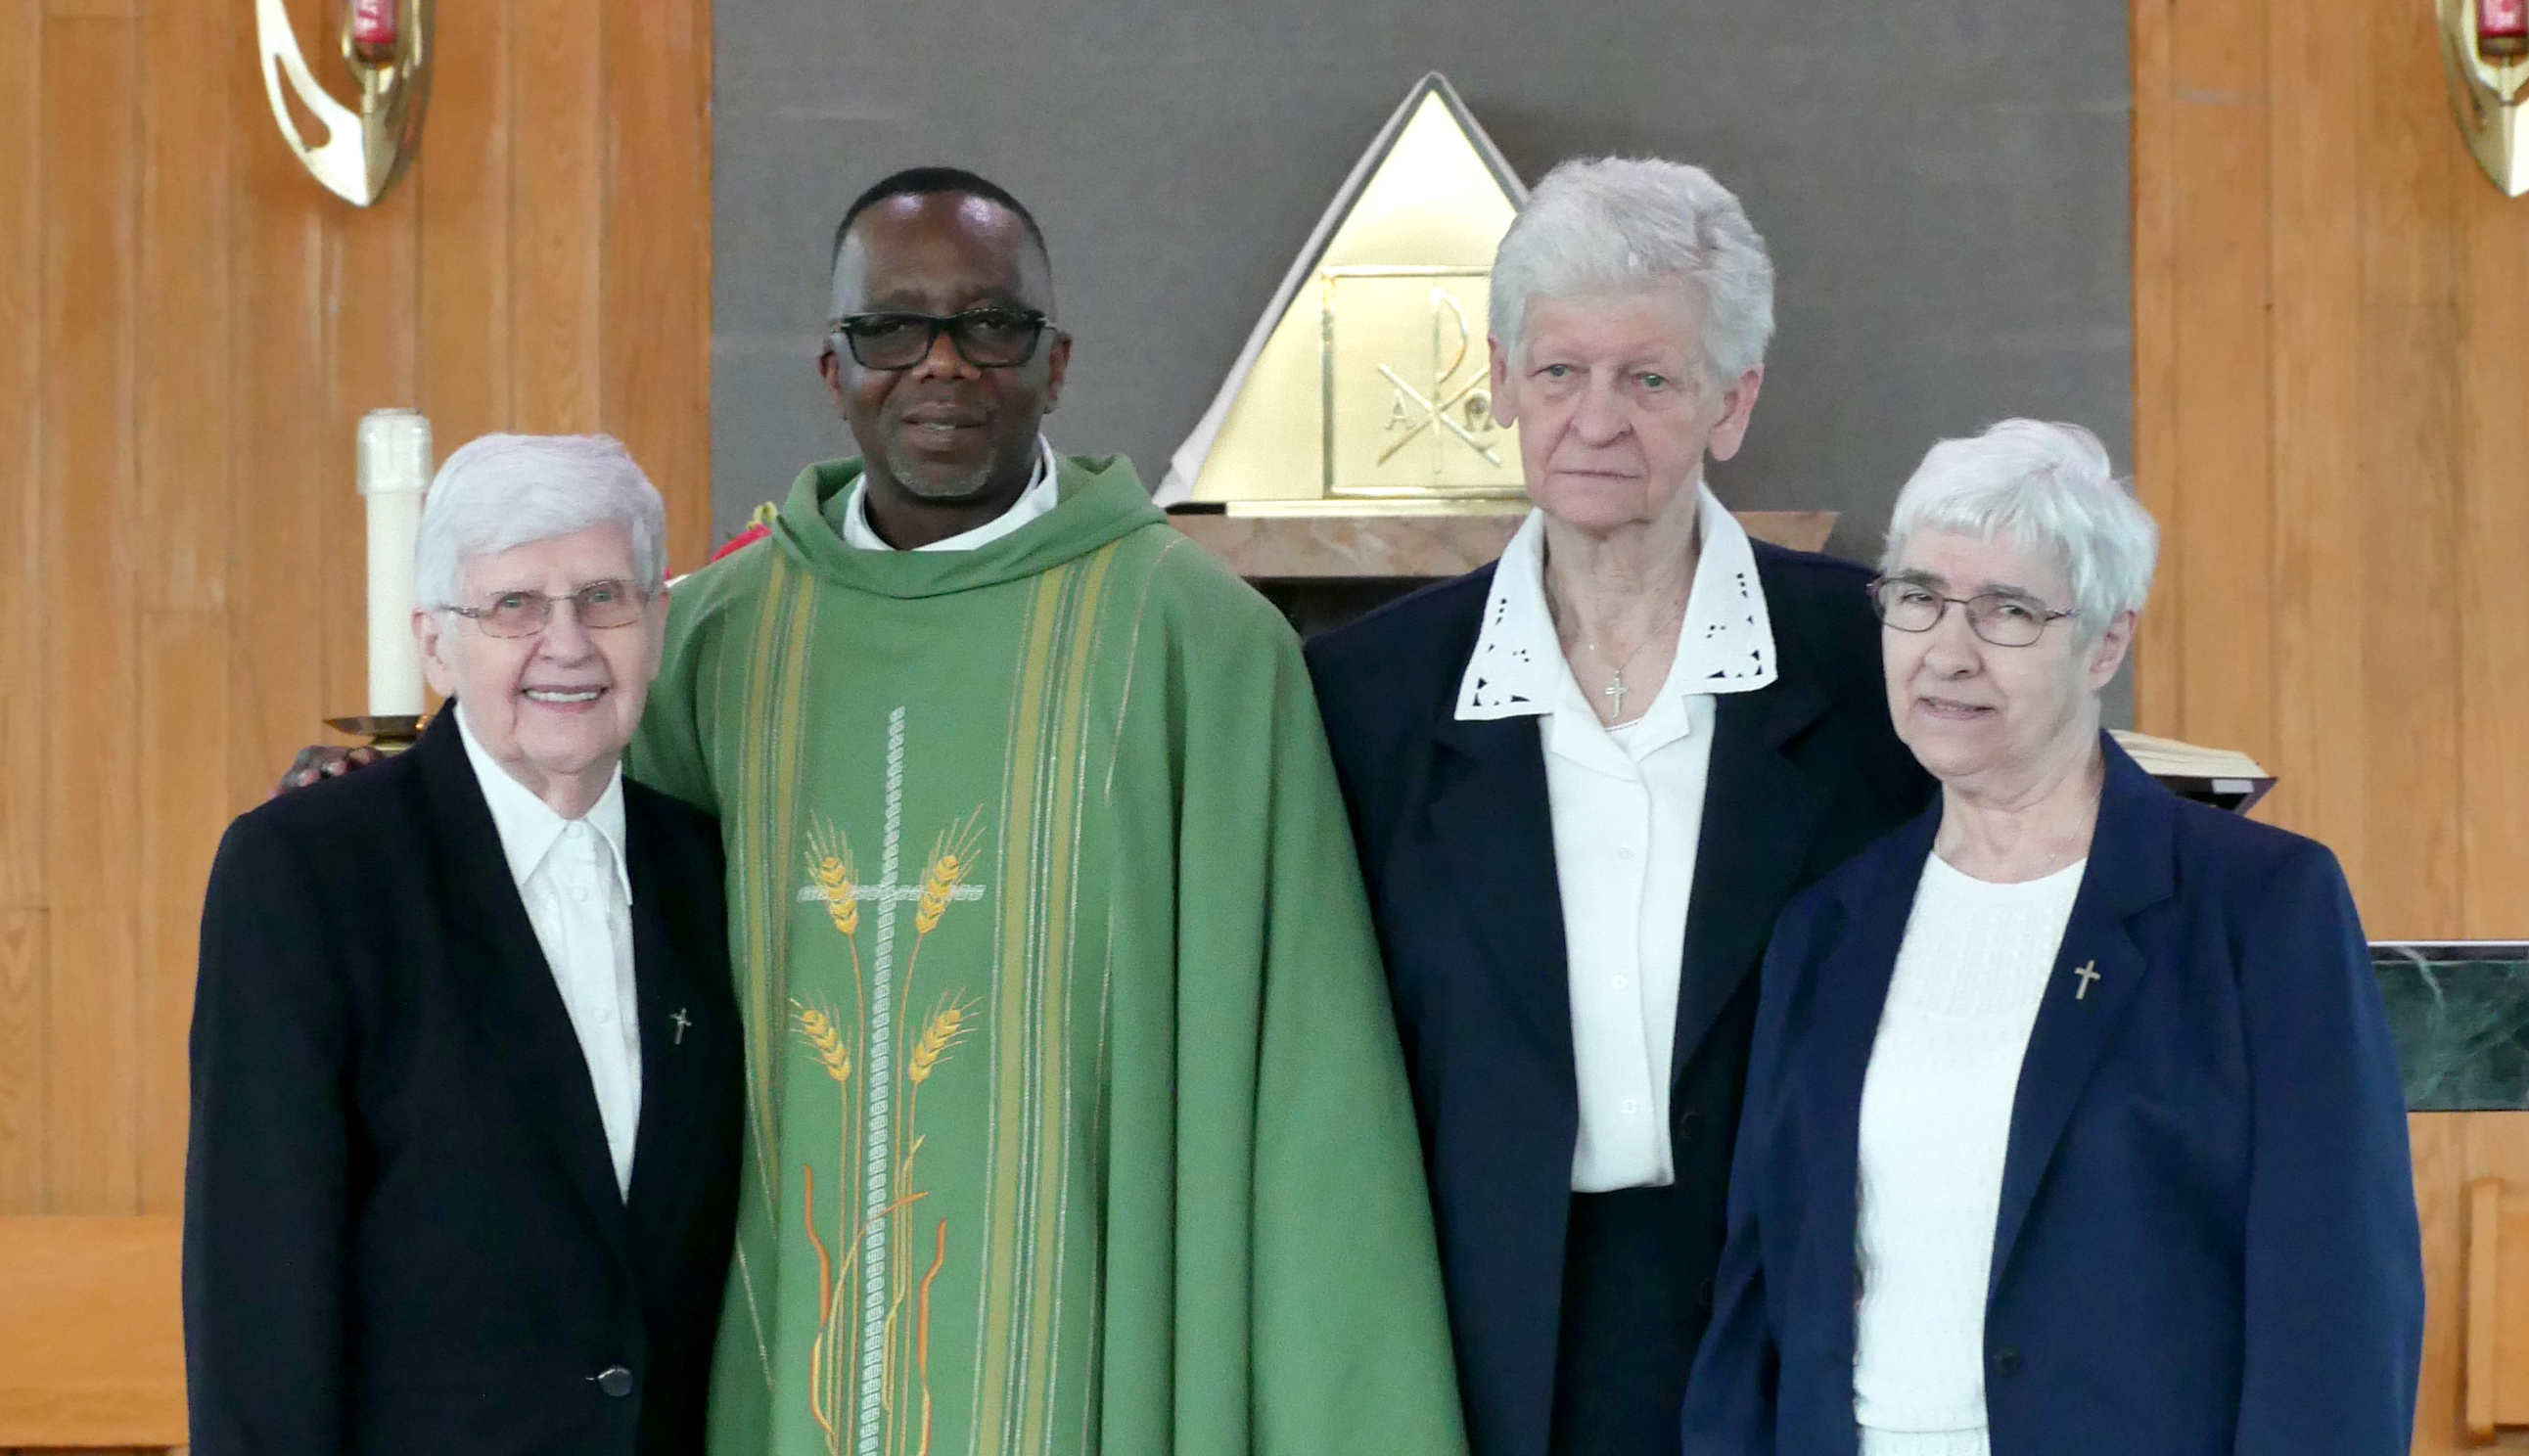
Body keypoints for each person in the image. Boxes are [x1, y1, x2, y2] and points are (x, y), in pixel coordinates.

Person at [626, 167, 1464, 1455]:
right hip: (772, 1367)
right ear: (831, 370)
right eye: (891, 330)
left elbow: (1308, 1078)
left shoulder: (1196, 646)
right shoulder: (712, 644)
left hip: (1091, 1372)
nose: (943, 366)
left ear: (1057, 364)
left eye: (992, 327)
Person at [1305, 157, 1933, 1456]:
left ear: (1732, 402)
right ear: (1499, 381)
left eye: (1649, 378)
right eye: (1559, 372)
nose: (1596, 419)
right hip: (1482, 1335)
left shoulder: (1876, 666)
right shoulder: (1366, 699)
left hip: (1804, 1319)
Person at [1680, 420, 2424, 1454]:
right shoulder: (1831, 922)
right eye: (1918, 598)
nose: (1948, 650)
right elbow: (1761, 1286)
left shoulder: (2254, 907)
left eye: (2008, 611)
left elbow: (2337, 1296)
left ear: (2107, 640)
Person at [186, 434, 745, 1454]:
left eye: (602, 598)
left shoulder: (710, 872)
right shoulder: (312, 874)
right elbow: (258, 1285)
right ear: (436, 647)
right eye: (514, 606)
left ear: (655, 625)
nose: (566, 644)